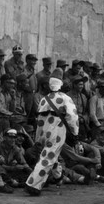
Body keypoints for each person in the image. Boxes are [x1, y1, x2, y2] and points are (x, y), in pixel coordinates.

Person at [25, 68, 79, 196]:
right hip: (57, 131)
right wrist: (75, 133)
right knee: (48, 157)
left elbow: (39, 120)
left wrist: (38, 137)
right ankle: (33, 184)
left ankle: (57, 175)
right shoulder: (66, 99)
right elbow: (72, 118)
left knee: (51, 155)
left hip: (44, 131)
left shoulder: (44, 99)